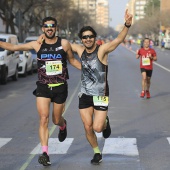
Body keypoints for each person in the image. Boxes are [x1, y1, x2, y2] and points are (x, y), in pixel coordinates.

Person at [0, 16, 81, 166]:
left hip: (60, 87)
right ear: (42, 28)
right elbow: (13, 47)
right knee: (43, 118)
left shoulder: (64, 44)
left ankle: (63, 126)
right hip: (43, 87)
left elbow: (72, 60)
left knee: (56, 119)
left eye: (52, 26)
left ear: (56, 28)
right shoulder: (37, 45)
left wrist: (88, 70)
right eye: (46, 26)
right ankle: (45, 152)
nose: (49, 28)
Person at [70, 9, 132, 164]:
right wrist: (44, 39)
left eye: (91, 36)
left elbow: (118, 40)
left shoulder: (102, 50)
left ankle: (105, 122)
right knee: (87, 126)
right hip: (84, 95)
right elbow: (63, 45)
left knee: (98, 128)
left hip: (100, 95)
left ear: (94, 38)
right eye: (85, 37)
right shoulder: (79, 49)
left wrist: (126, 25)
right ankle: (97, 152)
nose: (88, 39)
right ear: (82, 40)